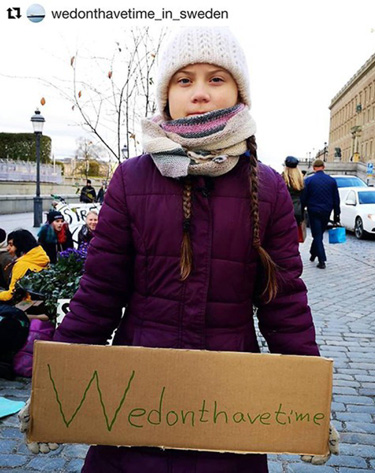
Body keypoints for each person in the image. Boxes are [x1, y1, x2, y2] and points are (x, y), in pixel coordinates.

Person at [20, 27, 339, 471]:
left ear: (238, 92)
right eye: (185, 80)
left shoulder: (266, 188)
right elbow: (99, 293)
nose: (201, 93)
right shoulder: (131, 181)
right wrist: (53, 391)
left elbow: (283, 302)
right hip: (134, 402)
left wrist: (309, 397)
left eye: (216, 79)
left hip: (229, 404)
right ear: (166, 93)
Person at [301, 159, 340, 269]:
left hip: (313, 211)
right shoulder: (331, 181)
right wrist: (337, 213)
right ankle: (313, 253)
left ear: (314, 168)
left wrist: (301, 210)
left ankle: (321, 260)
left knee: (317, 235)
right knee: (319, 234)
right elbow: (336, 198)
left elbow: (304, 198)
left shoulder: (308, 181)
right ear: (324, 167)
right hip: (326, 211)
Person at [0, 230, 49, 303]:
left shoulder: (22, 265)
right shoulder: (41, 258)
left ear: (20, 245)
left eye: (11, 245)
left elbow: (12, 295)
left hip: (26, 305)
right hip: (40, 302)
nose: (8, 248)